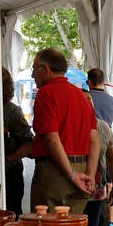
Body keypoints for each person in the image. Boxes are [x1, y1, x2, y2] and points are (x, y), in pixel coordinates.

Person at [30, 48, 99, 214]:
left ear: (45, 69)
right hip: (82, 170)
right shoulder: (81, 96)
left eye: (34, 69)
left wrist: (71, 175)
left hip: (55, 171)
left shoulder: (46, 94)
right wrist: (89, 175)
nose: (33, 75)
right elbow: (95, 139)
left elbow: (52, 139)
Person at [88, 68, 113, 226]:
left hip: (84, 155)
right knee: (107, 184)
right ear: (103, 81)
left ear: (89, 81)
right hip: (106, 145)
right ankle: (112, 220)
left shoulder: (83, 98)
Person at [1, 68, 33, 218]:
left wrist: (7, 160)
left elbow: (29, 144)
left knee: (12, 215)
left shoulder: (11, 111)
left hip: (10, 174)